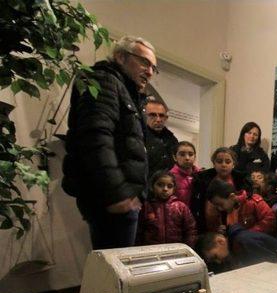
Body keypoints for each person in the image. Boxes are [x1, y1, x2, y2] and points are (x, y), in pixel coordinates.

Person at [62, 35, 157, 249]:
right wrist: (117, 194)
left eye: (153, 67)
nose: (150, 72)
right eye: (144, 62)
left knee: (116, 270)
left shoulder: (127, 92)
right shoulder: (104, 80)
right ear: (120, 57)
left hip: (124, 197)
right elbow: (96, 138)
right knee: (113, 273)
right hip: (114, 199)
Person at [191, 147, 248, 233]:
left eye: (228, 162)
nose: (223, 165)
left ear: (233, 164)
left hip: (234, 227)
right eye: (219, 161)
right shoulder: (203, 179)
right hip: (209, 226)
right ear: (214, 163)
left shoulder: (242, 180)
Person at [136, 170, 197, 248]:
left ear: (174, 188)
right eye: (160, 185)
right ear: (152, 186)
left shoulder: (181, 207)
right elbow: (139, 231)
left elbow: (191, 230)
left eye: (169, 186)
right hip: (151, 252)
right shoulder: (146, 207)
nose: (165, 189)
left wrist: (188, 249)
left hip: (176, 251)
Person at [196, 225, 277, 274]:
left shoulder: (243, 242)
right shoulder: (233, 246)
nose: (218, 261)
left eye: (215, 256)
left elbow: (269, 267)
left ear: (220, 241)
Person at [206, 179, 275, 235]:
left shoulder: (253, 202)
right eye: (216, 206)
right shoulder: (228, 210)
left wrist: (247, 234)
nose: (219, 208)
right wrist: (227, 231)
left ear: (232, 197)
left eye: (220, 204)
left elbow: (270, 220)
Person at [144, 99, 179, 177]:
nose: (158, 119)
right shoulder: (139, 137)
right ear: (144, 116)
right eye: (152, 115)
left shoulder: (173, 140)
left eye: (161, 115)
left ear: (166, 118)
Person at [169, 141, 200, 206]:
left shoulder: (201, 174)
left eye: (191, 154)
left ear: (195, 157)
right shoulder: (169, 177)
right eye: (182, 154)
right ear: (175, 157)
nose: (187, 158)